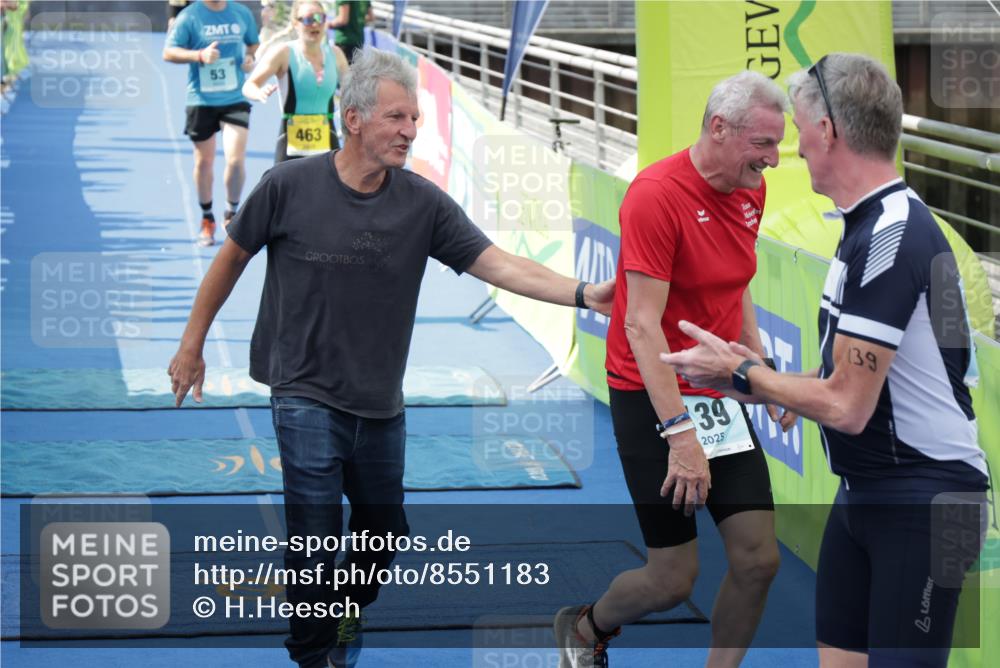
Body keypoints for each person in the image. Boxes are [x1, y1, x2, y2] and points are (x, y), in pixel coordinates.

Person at [168, 46, 614, 668]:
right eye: (397, 118)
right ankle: (312, 652)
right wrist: (192, 345)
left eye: (415, 120)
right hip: (301, 390)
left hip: (379, 400)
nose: (410, 131)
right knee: (314, 534)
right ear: (353, 119)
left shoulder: (423, 204)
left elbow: (500, 264)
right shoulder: (286, 186)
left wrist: (585, 294)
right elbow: (231, 259)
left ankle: (346, 603)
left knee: (382, 535)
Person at [662, 53, 989, 668]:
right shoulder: (868, 225)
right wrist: (760, 383)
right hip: (868, 490)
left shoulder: (892, 236)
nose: (791, 148)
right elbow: (857, 376)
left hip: (926, 498)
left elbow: (847, 405)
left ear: (829, 132)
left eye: (801, 131)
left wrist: (745, 374)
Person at [554, 70, 793, 668]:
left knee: (759, 558)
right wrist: (679, 433)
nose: (775, 158)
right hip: (650, 389)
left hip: (716, 389)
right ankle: (586, 628)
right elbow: (640, 324)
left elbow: (737, 286)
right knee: (672, 578)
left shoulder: (750, 188)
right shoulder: (657, 194)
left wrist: (757, 371)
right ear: (719, 128)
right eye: (763, 143)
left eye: (778, 143)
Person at [163, 0, 260, 247]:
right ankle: (207, 218)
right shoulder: (190, 16)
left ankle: (232, 213)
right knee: (204, 162)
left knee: (236, 160)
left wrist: (249, 57)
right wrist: (199, 55)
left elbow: (253, 43)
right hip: (202, 99)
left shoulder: (241, 13)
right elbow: (169, 51)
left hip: (234, 97)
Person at [243, 1, 349, 163]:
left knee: (330, 188)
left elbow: (354, 91)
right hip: (291, 142)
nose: (315, 24)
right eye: (307, 19)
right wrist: (258, 92)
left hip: (328, 139)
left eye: (319, 18)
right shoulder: (283, 53)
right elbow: (249, 86)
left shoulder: (336, 54)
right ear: (295, 24)